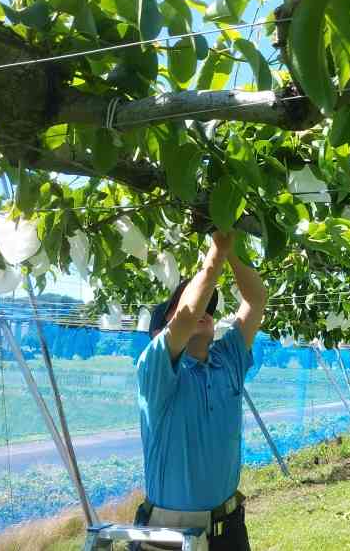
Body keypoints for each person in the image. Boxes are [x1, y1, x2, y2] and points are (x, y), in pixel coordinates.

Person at [132, 230, 267, 551]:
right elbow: (188, 313)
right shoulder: (156, 371)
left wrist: (231, 246)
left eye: (210, 303)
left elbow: (256, 299)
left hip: (229, 528)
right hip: (170, 536)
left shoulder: (228, 360)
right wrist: (217, 246)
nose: (203, 307)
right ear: (157, 332)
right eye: (191, 302)